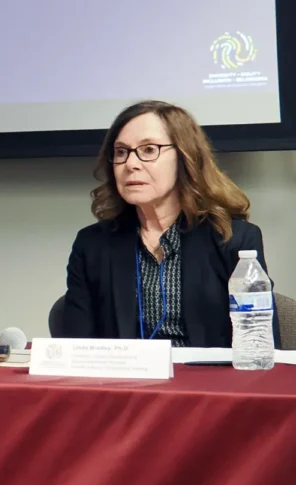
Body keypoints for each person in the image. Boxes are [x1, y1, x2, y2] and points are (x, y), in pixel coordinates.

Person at [62, 100, 279, 347]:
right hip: (125, 382)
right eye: (121, 152)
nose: (130, 164)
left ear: (185, 157)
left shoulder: (233, 238)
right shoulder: (93, 245)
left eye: (149, 149)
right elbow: (75, 348)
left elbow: (260, 347)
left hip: (206, 383)